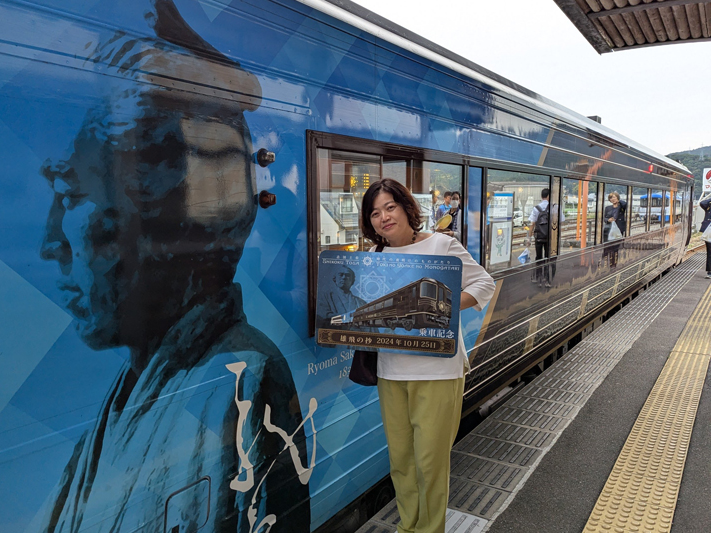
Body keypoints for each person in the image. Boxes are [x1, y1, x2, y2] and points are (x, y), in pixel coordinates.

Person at [38, 2, 311, 532]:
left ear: (162, 220)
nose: (51, 242)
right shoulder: (139, 386)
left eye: (71, 196)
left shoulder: (240, 379)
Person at [360, 179, 495, 533]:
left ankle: (430, 529)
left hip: (439, 372)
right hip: (391, 372)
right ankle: (409, 526)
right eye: (375, 213)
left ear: (407, 208)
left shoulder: (442, 244)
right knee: (401, 460)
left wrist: (445, 309)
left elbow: (484, 283)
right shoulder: (374, 259)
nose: (384, 217)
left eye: (390, 207)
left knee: (430, 462)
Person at [524, 188, 561, 288]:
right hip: (551, 239)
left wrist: (529, 238)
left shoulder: (537, 208)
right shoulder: (555, 207)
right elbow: (561, 220)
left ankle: (539, 279)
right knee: (550, 258)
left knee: (539, 258)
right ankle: (548, 280)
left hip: (539, 238)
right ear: (549, 196)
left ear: (542, 196)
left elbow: (532, 224)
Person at [602, 192, 627, 268]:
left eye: (614, 197)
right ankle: (608, 263)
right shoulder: (608, 208)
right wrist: (608, 220)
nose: (613, 199)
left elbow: (626, 204)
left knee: (616, 247)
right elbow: (604, 218)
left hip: (618, 229)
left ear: (618, 198)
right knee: (608, 247)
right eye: (611, 198)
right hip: (609, 229)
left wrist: (619, 201)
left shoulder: (622, 207)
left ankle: (614, 264)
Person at [700, 197, 711, 279]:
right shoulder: (709, 208)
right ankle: (710, 271)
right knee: (710, 252)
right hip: (709, 232)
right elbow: (702, 203)